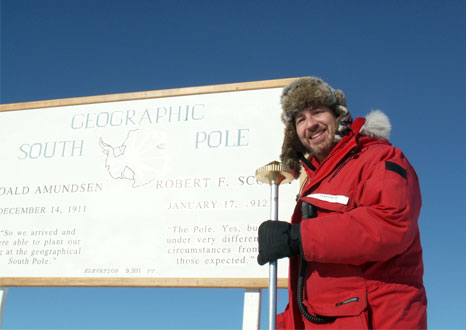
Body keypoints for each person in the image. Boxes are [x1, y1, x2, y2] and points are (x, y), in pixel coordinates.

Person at [257, 77, 427, 329]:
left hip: (378, 320)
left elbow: (390, 224)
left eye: (317, 112)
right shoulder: (316, 179)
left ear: (338, 115)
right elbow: (314, 286)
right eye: (300, 119)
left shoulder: (379, 158)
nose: (310, 124)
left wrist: (298, 237)